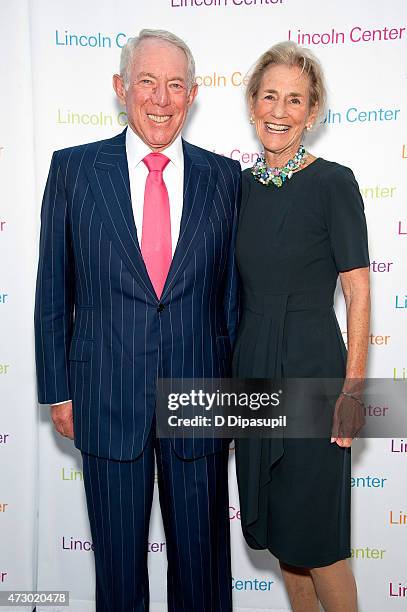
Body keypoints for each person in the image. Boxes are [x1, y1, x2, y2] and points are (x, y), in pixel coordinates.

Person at [34, 29, 241, 612]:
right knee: (119, 576)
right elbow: (54, 288)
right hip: (104, 398)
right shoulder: (74, 170)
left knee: (202, 572)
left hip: (199, 401)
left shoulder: (224, 180)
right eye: (147, 82)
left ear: (193, 95)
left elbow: (231, 299)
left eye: (175, 85)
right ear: (121, 88)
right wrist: (58, 390)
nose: (161, 97)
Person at [233, 41, 370, 612]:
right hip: (253, 373)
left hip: (314, 370)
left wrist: (353, 390)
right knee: (287, 541)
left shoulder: (334, 182)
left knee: (320, 543)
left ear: (311, 113)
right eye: (270, 96)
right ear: (252, 105)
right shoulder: (238, 188)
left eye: (295, 100)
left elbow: (357, 289)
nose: (280, 111)